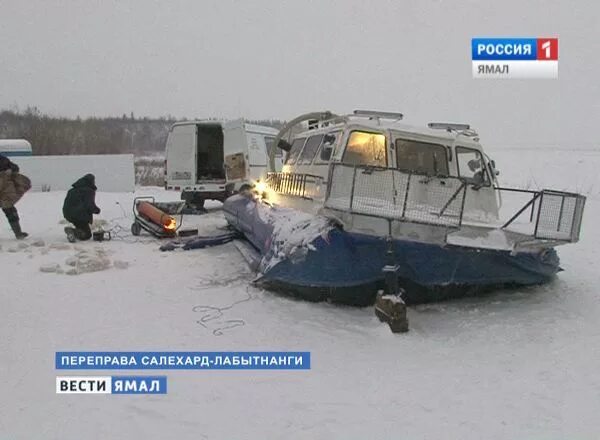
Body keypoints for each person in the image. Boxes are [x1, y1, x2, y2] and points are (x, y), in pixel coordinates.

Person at [62, 174, 101, 242]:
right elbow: (89, 205)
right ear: (90, 181)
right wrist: (97, 210)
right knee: (87, 235)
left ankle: (75, 232)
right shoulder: (89, 191)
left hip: (67, 213)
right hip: (79, 215)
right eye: (93, 181)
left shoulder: (72, 190)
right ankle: (73, 232)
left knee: (81, 227)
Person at [0, 153, 30, 239]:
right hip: (6, 190)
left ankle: (18, 233)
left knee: (11, 211)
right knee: (10, 211)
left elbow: (15, 167)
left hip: (6, 191)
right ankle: (18, 233)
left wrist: (10, 169)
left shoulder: (3, 160)